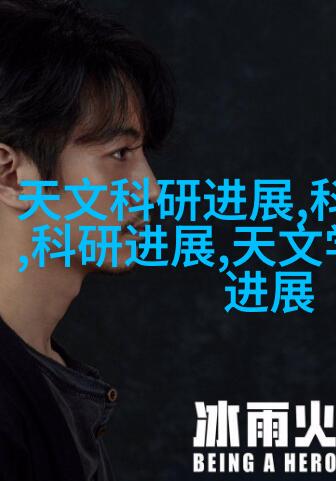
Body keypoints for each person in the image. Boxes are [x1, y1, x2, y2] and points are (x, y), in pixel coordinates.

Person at [0, 0, 175, 480]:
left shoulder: (42, 371)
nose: (151, 188)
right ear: (12, 176)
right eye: (119, 153)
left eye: (140, 152)